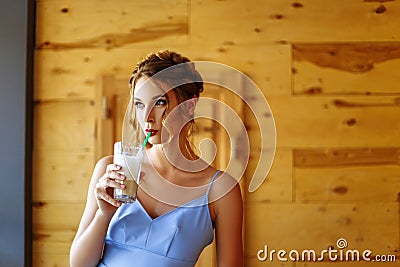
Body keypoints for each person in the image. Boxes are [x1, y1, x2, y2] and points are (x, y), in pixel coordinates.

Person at [70, 50, 243, 267]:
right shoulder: (111, 169)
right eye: (139, 104)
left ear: (189, 105)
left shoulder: (221, 190)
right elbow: (78, 264)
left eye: (159, 102)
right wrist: (103, 214)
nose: (147, 117)